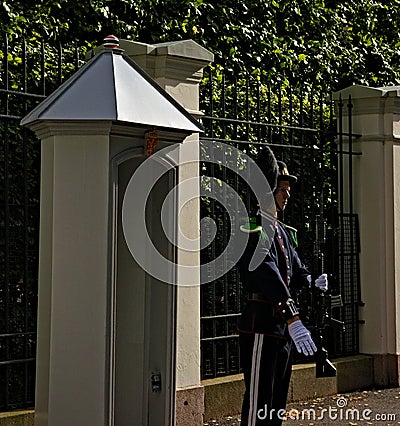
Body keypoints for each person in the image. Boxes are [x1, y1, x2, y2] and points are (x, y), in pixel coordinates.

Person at [238, 149, 328, 425]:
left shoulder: (279, 229)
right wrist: (293, 316)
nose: (287, 196)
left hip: (281, 328)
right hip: (262, 323)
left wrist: (311, 280)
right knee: (258, 400)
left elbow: (294, 268)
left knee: (276, 401)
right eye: (282, 189)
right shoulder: (253, 228)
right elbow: (268, 273)